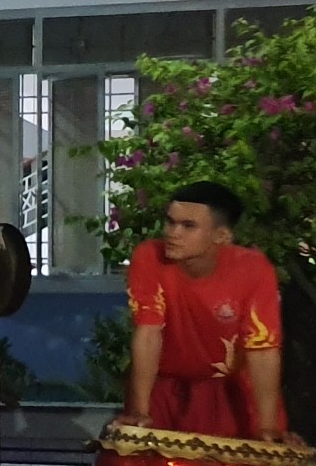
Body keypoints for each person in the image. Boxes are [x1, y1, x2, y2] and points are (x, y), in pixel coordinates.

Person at [119, 180, 286, 441]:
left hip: (228, 393)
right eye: (170, 222)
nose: (173, 233)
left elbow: (262, 349)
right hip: (163, 389)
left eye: (188, 226)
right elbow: (149, 332)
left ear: (222, 236)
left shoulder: (253, 269)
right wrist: (140, 411)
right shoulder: (149, 256)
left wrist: (268, 426)